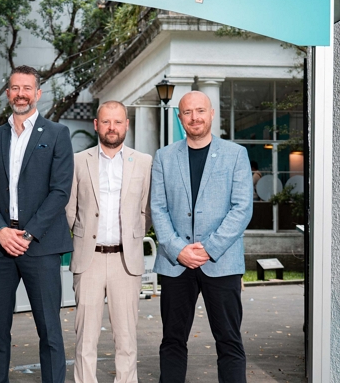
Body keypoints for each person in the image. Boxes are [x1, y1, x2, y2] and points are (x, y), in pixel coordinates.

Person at [0, 65, 74, 383]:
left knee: (49, 330)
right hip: (0, 246)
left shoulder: (57, 134)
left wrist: (28, 233)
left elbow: (60, 191)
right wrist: (1, 230)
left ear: (38, 93)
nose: (21, 94)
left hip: (41, 246)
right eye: (15, 88)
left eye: (27, 88)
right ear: (8, 93)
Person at [151, 91, 253, 383]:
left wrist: (208, 248)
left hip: (221, 262)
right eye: (187, 112)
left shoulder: (236, 154)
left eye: (200, 111)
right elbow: (158, 208)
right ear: (180, 117)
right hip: (176, 263)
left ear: (211, 114)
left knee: (229, 340)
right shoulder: (164, 157)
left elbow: (242, 208)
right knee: (172, 340)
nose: (194, 117)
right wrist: (178, 249)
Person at [65, 101, 152, 383]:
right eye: (106, 121)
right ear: (96, 125)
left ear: (127, 124)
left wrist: (132, 236)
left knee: (126, 339)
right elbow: (70, 208)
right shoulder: (78, 161)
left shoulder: (144, 162)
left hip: (126, 262)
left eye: (117, 121)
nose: (111, 127)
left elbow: (147, 210)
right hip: (88, 260)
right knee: (85, 339)